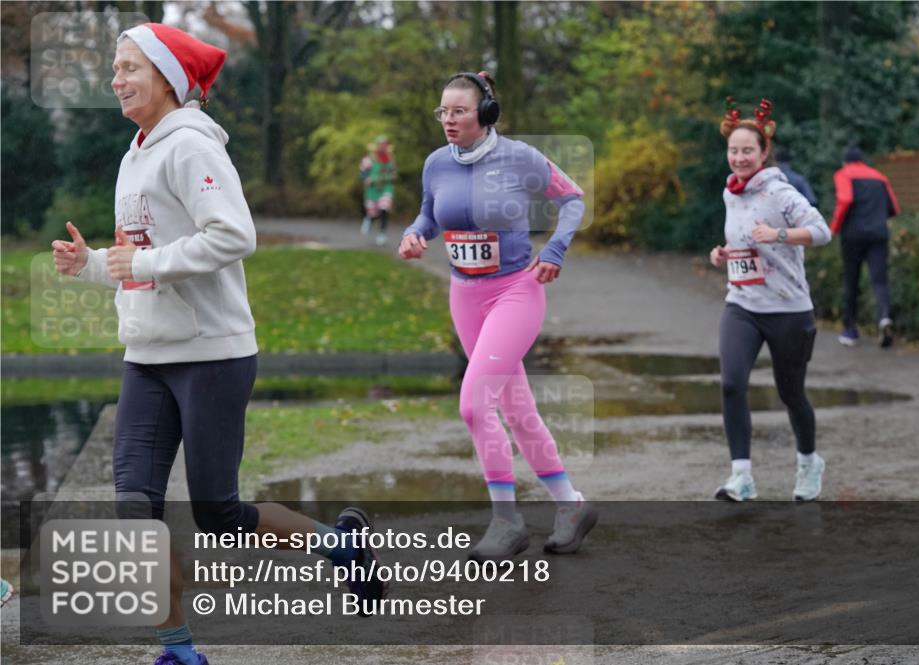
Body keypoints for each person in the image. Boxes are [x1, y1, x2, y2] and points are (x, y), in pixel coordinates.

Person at [51, 23, 384, 665]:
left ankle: (340, 547)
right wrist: (90, 263)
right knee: (134, 509)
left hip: (211, 355)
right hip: (147, 357)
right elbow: (136, 256)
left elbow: (234, 236)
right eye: (114, 69)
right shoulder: (135, 153)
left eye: (129, 68)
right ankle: (179, 652)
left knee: (220, 514)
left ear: (169, 78)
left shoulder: (192, 148)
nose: (116, 79)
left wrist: (140, 267)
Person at [398, 71, 597, 561]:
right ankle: (571, 506)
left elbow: (572, 199)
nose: (448, 120)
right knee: (516, 410)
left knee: (473, 404)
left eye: (459, 111)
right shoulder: (436, 164)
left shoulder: (520, 158)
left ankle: (506, 521)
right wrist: (414, 233)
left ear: (485, 114)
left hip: (516, 292)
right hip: (465, 296)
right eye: (442, 111)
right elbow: (429, 214)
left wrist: (553, 249)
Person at [709, 97, 832, 502]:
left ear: (763, 154)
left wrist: (779, 235)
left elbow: (821, 231)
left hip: (789, 310)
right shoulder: (731, 193)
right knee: (731, 383)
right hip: (743, 304)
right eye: (734, 150)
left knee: (791, 393)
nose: (739, 158)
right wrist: (724, 253)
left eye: (748, 150)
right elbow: (743, 241)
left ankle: (809, 462)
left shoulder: (780, 192)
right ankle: (741, 476)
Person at [831, 145, 901, 348]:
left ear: (845, 161)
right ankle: (884, 317)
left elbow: (845, 199)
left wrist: (834, 228)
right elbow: (894, 208)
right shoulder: (879, 176)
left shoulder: (843, 174)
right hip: (879, 234)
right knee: (879, 280)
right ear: (862, 160)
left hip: (852, 235)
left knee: (851, 281)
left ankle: (850, 330)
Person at [361, 135, 395, 246]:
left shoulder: (390, 160)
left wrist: (390, 176)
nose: (382, 147)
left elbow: (393, 173)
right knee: (373, 212)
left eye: (384, 145)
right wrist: (366, 178)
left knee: (384, 208)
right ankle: (369, 219)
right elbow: (363, 172)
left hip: (385, 188)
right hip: (373, 190)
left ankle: (382, 234)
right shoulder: (370, 159)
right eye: (381, 145)